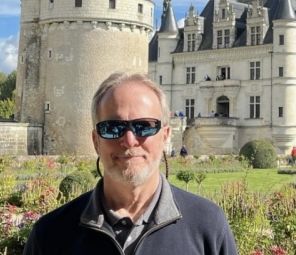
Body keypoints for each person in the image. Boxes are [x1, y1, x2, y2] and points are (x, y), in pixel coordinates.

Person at [23, 72, 237, 255]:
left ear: (165, 136)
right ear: (96, 141)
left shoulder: (207, 224)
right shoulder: (50, 234)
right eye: (113, 127)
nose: (129, 140)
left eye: (144, 126)